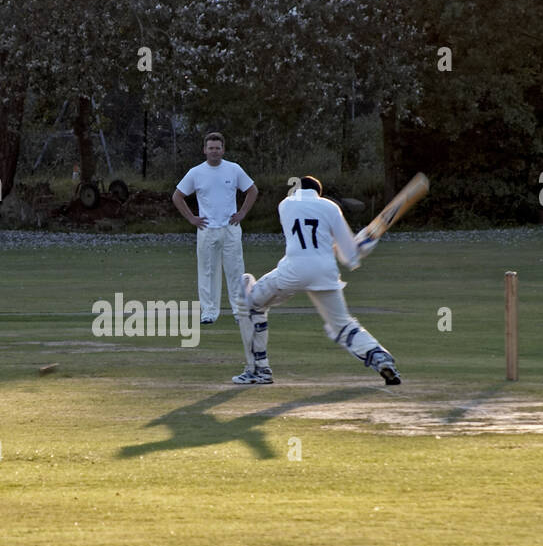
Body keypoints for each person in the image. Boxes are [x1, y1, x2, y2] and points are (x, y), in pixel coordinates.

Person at [241, 175, 401, 385]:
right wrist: (363, 243)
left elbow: (306, 237)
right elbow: (349, 255)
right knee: (342, 325)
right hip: (325, 271)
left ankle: (259, 370)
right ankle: (379, 357)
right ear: (319, 192)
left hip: (292, 270)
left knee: (252, 303)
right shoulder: (331, 208)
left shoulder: (286, 204)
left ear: (297, 188)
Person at [171, 132, 262, 383]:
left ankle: (237, 309)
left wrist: (242, 213)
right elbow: (177, 196)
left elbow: (252, 190)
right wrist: (192, 218)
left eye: (218, 147)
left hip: (231, 228)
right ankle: (209, 311)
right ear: (204, 150)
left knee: (235, 270)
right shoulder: (196, 172)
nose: (214, 151)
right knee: (207, 270)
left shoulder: (234, 169)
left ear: (223, 149)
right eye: (210, 147)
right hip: (206, 228)